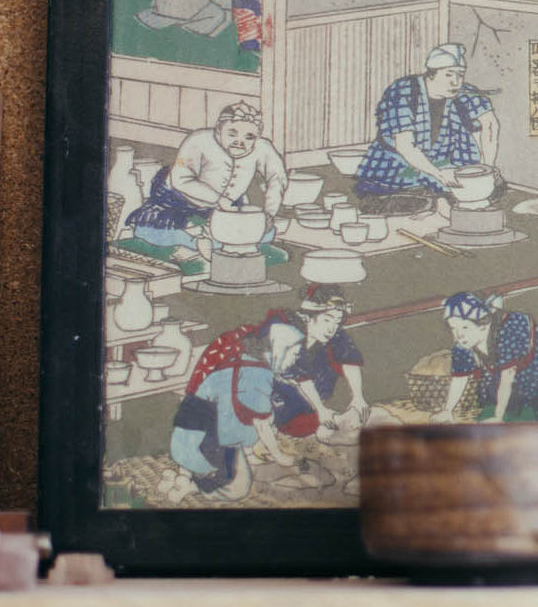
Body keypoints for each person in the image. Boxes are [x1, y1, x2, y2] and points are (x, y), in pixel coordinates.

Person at [126, 101, 286, 261]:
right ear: (219, 130)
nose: (240, 141)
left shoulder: (262, 147)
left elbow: (277, 179)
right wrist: (218, 199)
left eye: (249, 137)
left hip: (227, 209)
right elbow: (181, 179)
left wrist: (269, 214)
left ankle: (202, 243)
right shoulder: (199, 140)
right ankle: (194, 241)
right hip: (178, 203)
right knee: (148, 230)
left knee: (266, 233)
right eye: (232, 133)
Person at [354, 43, 500, 214]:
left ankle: (439, 200)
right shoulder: (403, 91)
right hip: (398, 170)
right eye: (448, 75)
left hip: (444, 167)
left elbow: (489, 124)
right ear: (431, 74)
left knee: (496, 186)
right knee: (413, 204)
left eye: (460, 75)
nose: (455, 82)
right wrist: (439, 175)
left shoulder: (464, 92)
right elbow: (405, 145)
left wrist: (487, 168)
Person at [168, 319, 303, 501]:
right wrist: (280, 457)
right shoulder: (257, 374)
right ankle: (190, 485)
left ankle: (182, 475)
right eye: (294, 354)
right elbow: (260, 424)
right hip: (198, 446)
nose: (295, 360)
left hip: (188, 439)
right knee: (238, 488)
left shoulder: (243, 363)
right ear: (279, 350)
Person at [434, 291, 538, 424]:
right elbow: (459, 379)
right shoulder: (463, 345)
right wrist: (448, 410)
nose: (459, 335)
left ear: (483, 324)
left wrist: (498, 416)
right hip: (504, 393)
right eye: (454, 328)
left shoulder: (510, 328)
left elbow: (507, 377)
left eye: (465, 327)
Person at [258, 285, 369, 438]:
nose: (332, 328)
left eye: (337, 322)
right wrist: (320, 409)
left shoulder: (329, 332)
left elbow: (349, 358)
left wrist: (358, 396)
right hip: (270, 386)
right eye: (327, 320)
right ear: (308, 317)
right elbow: (299, 375)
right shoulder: (288, 333)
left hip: (302, 389)